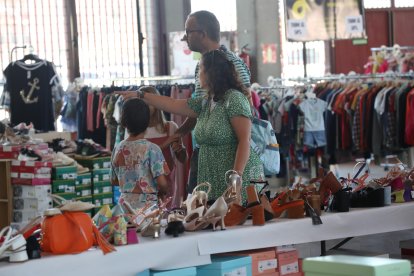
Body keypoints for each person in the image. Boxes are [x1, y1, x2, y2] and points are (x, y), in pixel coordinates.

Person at [118, 50, 264, 202]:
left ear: (211, 73)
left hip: (236, 183)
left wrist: (235, 180)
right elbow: (172, 104)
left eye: (200, 69)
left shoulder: (234, 99)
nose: (197, 73)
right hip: (212, 180)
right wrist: (141, 95)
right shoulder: (206, 102)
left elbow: (244, 141)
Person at [170, 10, 253, 193]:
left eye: (188, 31)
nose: (185, 37)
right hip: (206, 149)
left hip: (226, 153)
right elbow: (201, 107)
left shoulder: (231, 62)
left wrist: (236, 173)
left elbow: (243, 108)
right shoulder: (202, 64)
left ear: (202, 33)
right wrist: (180, 132)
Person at [110, 98, 169, 210]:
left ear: (123, 122)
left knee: (129, 228)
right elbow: (162, 184)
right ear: (148, 121)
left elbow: (113, 180)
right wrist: (162, 193)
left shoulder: (117, 149)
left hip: (124, 207)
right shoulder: (153, 149)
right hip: (148, 208)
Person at [143, 86, 187, 208]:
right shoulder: (136, 130)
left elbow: (183, 159)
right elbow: (139, 156)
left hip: (167, 185)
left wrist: (180, 151)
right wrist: (165, 144)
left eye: (148, 102)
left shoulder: (170, 127)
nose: (145, 107)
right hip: (144, 187)